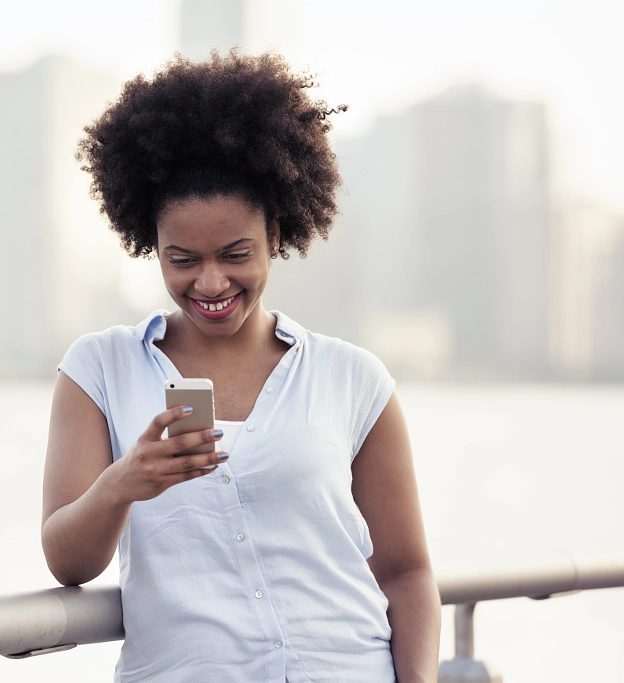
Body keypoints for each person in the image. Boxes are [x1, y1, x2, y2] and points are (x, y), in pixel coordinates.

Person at [41, 51, 441, 683]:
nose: (210, 283)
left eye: (235, 254)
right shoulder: (100, 369)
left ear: (275, 234)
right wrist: (124, 482)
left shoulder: (352, 378)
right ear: (150, 245)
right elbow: (68, 563)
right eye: (182, 259)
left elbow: (406, 572)